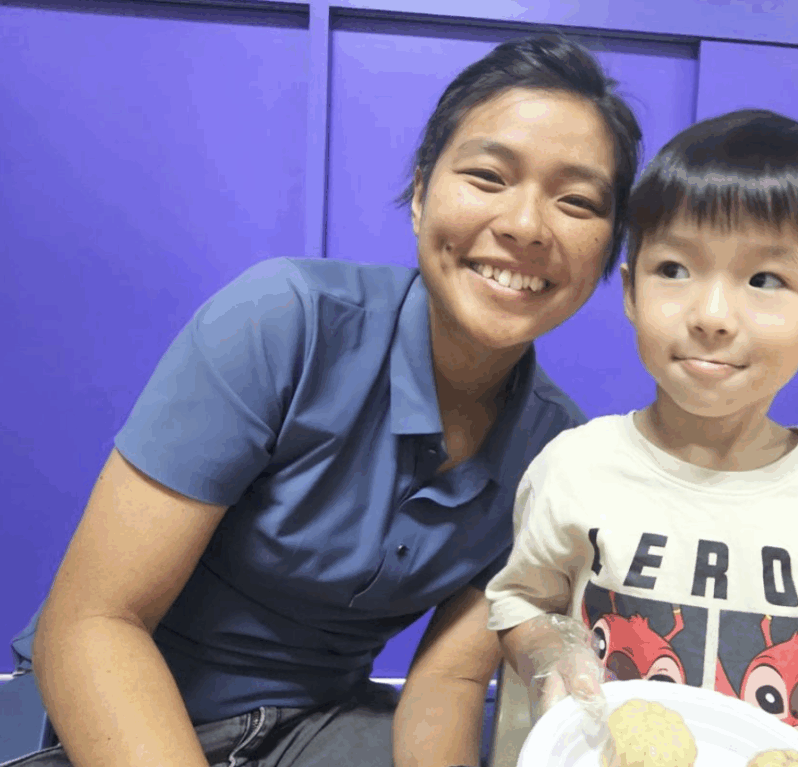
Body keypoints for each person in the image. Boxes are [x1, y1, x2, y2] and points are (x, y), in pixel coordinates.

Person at [6, 35, 642, 767]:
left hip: (315, 729)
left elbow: (444, 683)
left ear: (607, 252)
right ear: (421, 192)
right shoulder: (284, 322)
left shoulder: (555, 452)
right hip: (113, 714)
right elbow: (93, 622)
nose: (526, 225)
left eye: (576, 201)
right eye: (488, 176)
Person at [485, 110, 798, 750]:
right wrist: (550, 654)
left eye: (765, 280)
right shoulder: (575, 467)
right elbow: (524, 602)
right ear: (631, 292)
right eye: (674, 269)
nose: (712, 315)